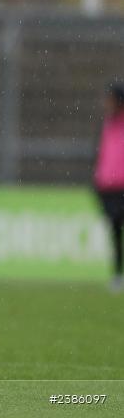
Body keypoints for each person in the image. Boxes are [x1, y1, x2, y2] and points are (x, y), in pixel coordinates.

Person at [94, 82, 124, 292]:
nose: (107, 103)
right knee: (115, 233)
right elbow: (103, 154)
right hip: (108, 186)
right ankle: (118, 274)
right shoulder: (106, 124)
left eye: (111, 99)